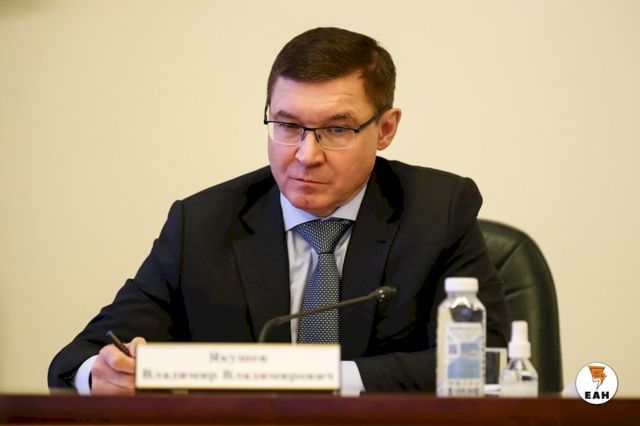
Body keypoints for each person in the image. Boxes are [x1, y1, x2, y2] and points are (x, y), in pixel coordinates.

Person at [48, 27, 508, 394]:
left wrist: (315, 380)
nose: (306, 155)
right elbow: (76, 360)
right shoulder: (202, 225)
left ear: (385, 129)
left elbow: (487, 362)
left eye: (337, 129)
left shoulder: (438, 211)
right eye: (288, 126)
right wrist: (101, 375)